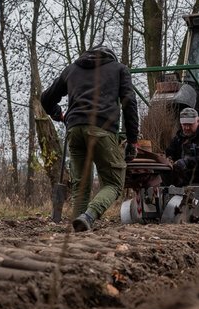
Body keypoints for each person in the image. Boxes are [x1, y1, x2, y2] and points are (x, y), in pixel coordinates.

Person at [41, 45, 139, 232]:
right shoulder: (119, 69)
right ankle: (89, 215)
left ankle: (78, 228)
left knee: (81, 183)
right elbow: (129, 103)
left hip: (75, 129)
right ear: (111, 56)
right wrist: (132, 140)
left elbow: (46, 99)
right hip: (101, 129)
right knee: (113, 183)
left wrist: (59, 115)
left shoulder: (71, 69)